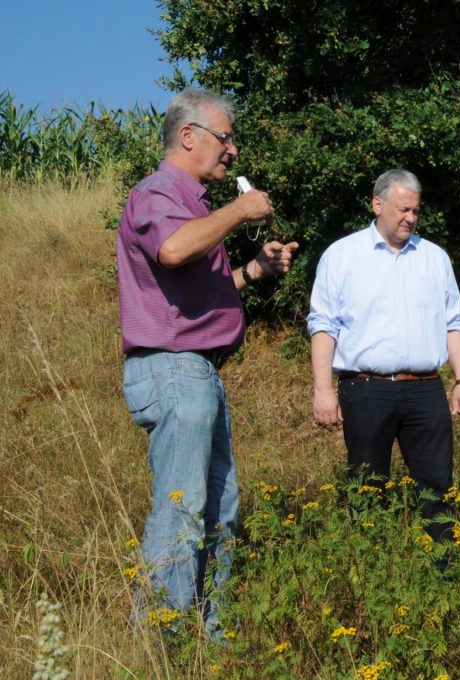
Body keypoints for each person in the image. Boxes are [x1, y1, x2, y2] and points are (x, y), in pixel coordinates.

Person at [116, 88, 298, 637]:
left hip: (197, 372)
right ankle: (161, 641)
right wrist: (240, 210)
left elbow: (196, 286)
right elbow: (172, 250)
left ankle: (208, 638)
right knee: (183, 507)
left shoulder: (192, 204)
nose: (233, 151)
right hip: (174, 370)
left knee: (218, 507)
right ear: (188, 136)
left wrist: (253, 273)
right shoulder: (157, 193)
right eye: (225, 138)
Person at [308, 168, 460, 550]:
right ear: (377, 204)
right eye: (403, 210)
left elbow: (454, 321)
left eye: (415, 211)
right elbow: (323, 325)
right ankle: (373, 576)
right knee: (367, 488)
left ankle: (442, 574)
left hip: (426, 391)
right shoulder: (342, 256)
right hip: (365, 390)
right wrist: (323, 389)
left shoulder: (434, 258)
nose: (410, 218)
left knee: (438, 488)